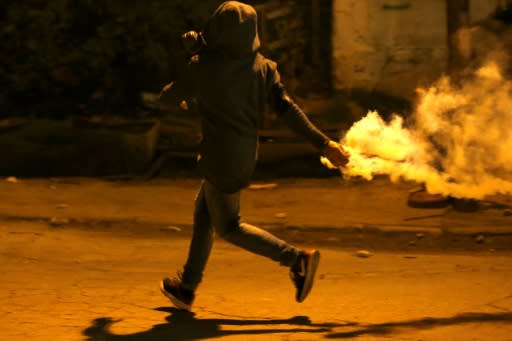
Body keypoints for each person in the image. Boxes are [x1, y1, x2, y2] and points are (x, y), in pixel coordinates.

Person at [158, 1, 349, 311]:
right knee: (203, 214)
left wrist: (191, 61)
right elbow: (288, 111)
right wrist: (323, 143)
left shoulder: (203, 66)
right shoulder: (264, 68)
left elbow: (168, 99)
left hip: (220, 158)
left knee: (229, 227)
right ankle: (187, 287)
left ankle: (296, 259)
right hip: (245, 154)